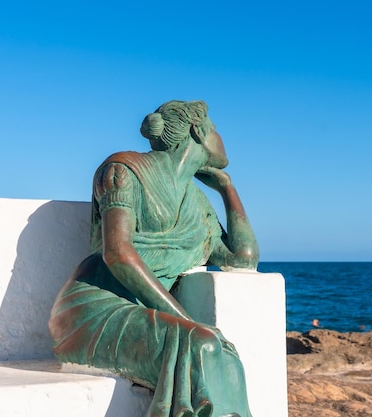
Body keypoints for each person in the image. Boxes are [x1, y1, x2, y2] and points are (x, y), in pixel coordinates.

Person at [48, 100, 259, 417]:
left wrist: (227, 190)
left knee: (225, 357)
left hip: (144, 312)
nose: (220, 137)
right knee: (203, 344)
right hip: (94, 310)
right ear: (198, 131)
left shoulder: (197, 204)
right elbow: (117, 253)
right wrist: (187, 321)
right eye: (215, 129)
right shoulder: (122, 170)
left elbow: (243, 258)